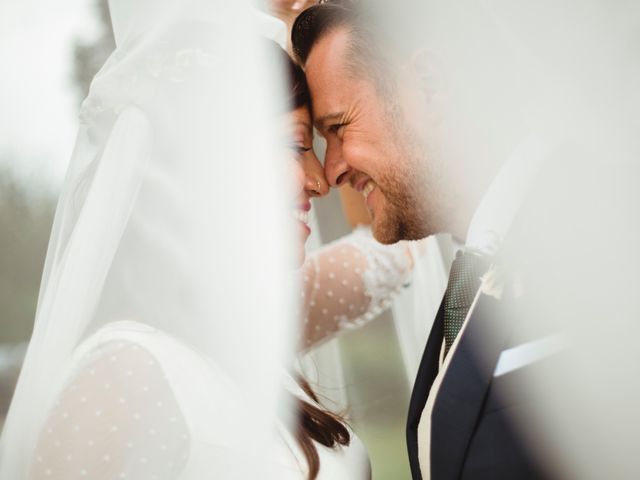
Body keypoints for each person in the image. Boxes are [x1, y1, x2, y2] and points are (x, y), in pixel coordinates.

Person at [0, 2, 422, 477]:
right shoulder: (121, 378)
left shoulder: (253, 328)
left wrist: (304, 37)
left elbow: (389, 247)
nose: (319, 180)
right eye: (297, 145)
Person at [292, 1, 640, 479]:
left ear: (430, 87)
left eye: (338, 127)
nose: (331, 172)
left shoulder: (602, 237)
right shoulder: (475, 265)